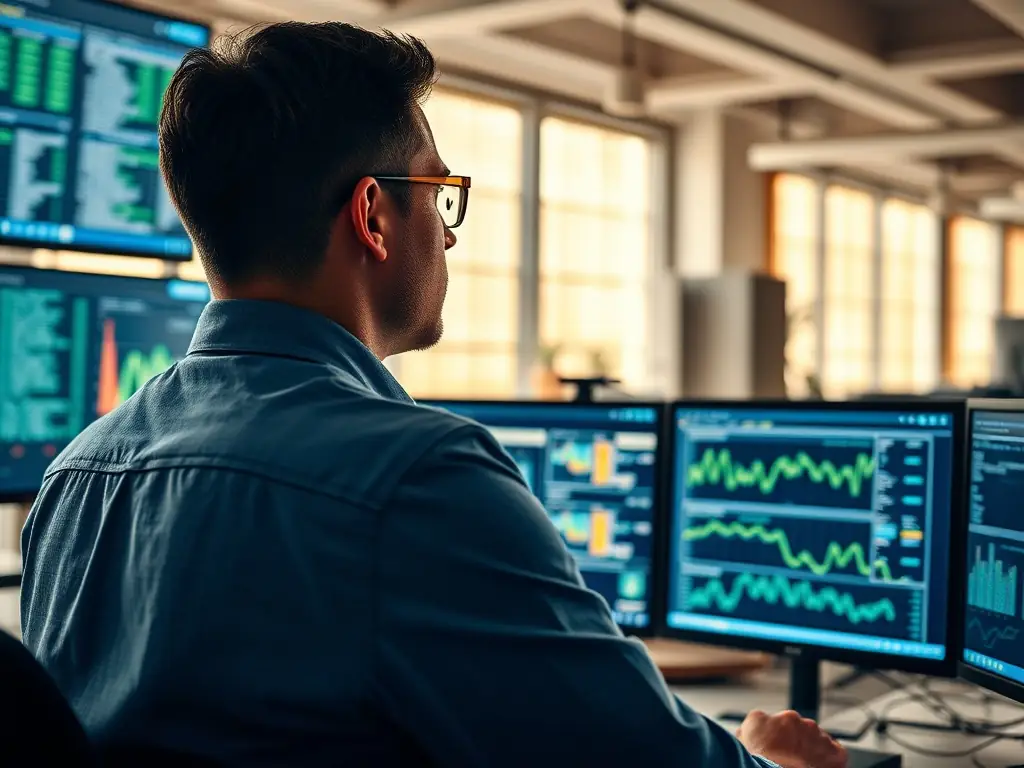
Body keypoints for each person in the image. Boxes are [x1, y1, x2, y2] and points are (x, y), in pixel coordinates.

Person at [20, 21, 847, 768]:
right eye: (436, 193)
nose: (447, 232)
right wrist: (774, 760)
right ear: (374, 216)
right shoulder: (416, 479)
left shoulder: (75, 477)